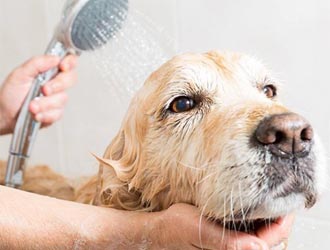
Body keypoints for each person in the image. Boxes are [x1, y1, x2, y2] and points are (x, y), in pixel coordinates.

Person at [0, 55, 294, 249]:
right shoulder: (125, 207)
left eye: (267, 91)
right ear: (133, 186)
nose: (287, 130)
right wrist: (149, 233)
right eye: (183, 104)